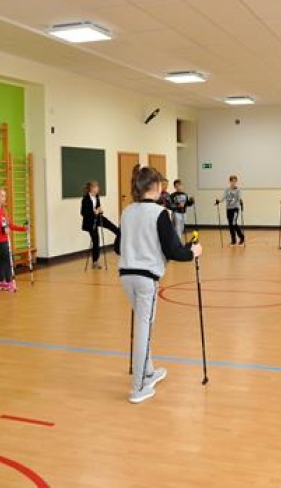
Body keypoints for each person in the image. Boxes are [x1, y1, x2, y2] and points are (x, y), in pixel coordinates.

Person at [116, 166, 201, 404]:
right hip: (146, 279)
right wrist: (192, 252)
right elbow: (173, 251)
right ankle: (138, 387)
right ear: (155, 186)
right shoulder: (160, 213)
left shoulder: (127, 211)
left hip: (126, 276)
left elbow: (117, 247)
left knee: (143, 324)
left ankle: (149, 371)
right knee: (144, 329)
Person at [0, 187, 26, 292]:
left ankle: (1, 282)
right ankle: (9, 282)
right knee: (9, 259)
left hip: (5, 238)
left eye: (4, 196)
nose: (4, 198)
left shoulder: (3, 211)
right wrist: (3, 230)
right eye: (2, 195)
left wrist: (23, 228)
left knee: (3, 260)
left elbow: (10, 225)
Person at [81, 181, 120, 270]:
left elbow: (98, 207)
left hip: (98, 218)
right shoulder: (85, 199)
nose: (98, 188)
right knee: (96, 241)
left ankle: (119, 244)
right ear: (91, 189)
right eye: (96, 187)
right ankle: (95, 262)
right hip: (90, 222)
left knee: (114, 228)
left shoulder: (97, 197)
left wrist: (99, 210)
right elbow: (83, 212)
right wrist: (93, 212)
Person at [216, 175, 245, 246]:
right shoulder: (227, 190)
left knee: (234, 223)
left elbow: (239, 198)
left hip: (235, 209)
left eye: (235, 181)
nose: (234, 182)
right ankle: (233, 240)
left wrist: (241, 202)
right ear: (230, 181)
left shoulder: (238, 190)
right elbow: (223, 197)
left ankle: (242, 237)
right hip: (228, 209)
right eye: (232, 181)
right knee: (230, 225)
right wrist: (219, 201)